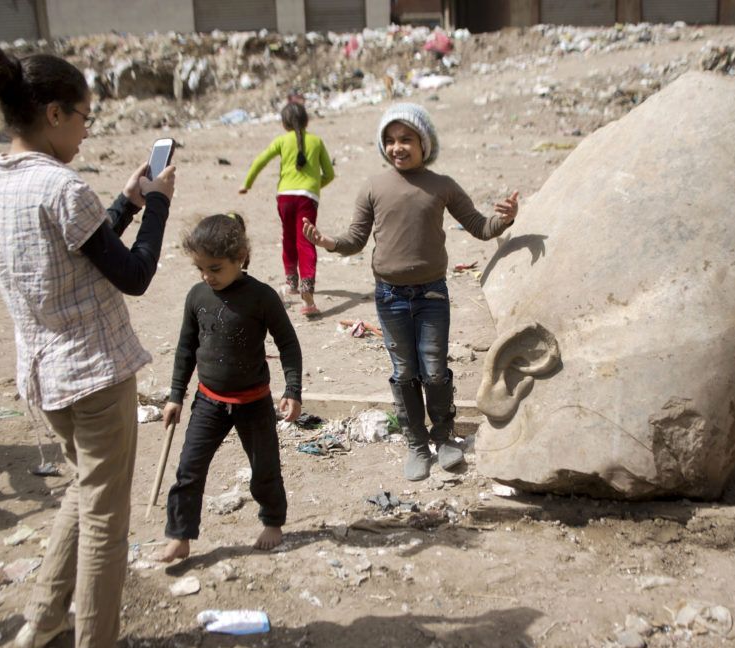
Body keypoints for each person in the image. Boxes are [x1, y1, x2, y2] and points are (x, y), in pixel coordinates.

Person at [0, 43, 175, 648]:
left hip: (44, 375)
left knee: (79, 495)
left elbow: (83, 251)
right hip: (94, 377)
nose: (88, 127)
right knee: (105, 521)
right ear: (54, 112)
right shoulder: (61, 187)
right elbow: (135, 274)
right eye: (84, 115)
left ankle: (40, 622)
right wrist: (162, 204)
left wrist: (125, 201)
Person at [303, 103, 519, 481]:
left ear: (425, 143)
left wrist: (507, 218)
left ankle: (445, 438)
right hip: (389, 297)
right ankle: (417, 444)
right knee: (404, 372)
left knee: (434, 370)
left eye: (405, 139)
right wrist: (327, 241)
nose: (397, 147)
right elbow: (355, 239)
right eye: (389, 140)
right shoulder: (373, 186)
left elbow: (480, 227)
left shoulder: (443, 185)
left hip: (432, 295)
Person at [158, 213, 303, 563]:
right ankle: (180, 535)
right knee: (189, 468)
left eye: (216, 268)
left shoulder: (262, 297)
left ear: (240, 258)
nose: (208, 276)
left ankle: (272, 521)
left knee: (265, 467)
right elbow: (185, 348)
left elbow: (288, 344)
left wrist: (293, 389)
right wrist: (175, 395)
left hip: (253, 401)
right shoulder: (197, 296)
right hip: (208, 400)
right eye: (201, 269)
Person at [239, 101, 334, 317]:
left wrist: (247, 184)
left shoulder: (282, 141)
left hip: (284, 197)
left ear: (284, 123)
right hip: (307, 198)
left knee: (288, 238)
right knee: (306, 240)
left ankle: (292, 281)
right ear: (306, 121)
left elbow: (260, 160)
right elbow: (329, 174)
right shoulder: (316, 142)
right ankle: (307, 294)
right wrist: (313, 186)